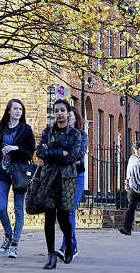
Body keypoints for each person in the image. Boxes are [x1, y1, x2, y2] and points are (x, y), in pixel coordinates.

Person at [0, 99, 35, 258]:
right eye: (15, 108)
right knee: (1, 207)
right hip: (2, 173)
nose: (18, 111)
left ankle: (14, 245)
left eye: (21, 109)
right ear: (8, 111)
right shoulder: (0, 130)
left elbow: (30, 153)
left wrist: (16, 148)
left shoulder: (26, 130)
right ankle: (8, 234)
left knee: (18, 209)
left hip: (19, 174)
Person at [36, 99, 82, 270]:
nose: (59, 113)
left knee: (63, 218)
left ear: (68, 112)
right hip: (49, 178)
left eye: (62, 110)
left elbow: (72, 157)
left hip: (67, 179)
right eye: (56, 110)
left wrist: (51, 153)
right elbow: (40, 151)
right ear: (54, 113)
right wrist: (59, 152)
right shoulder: (47, 132)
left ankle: (69, 245)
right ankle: (51, 256)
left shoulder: (75, 134)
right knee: (49, 218)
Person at [55, 105, 88, 261]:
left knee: (69, 211)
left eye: (70, 117)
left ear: (76, 119)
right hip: (62, 177)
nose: (67, 120)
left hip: (77, 176)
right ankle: (73, 245)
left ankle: (65, 246)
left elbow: (79, 154)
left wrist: (63, 155)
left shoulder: (82, 135)